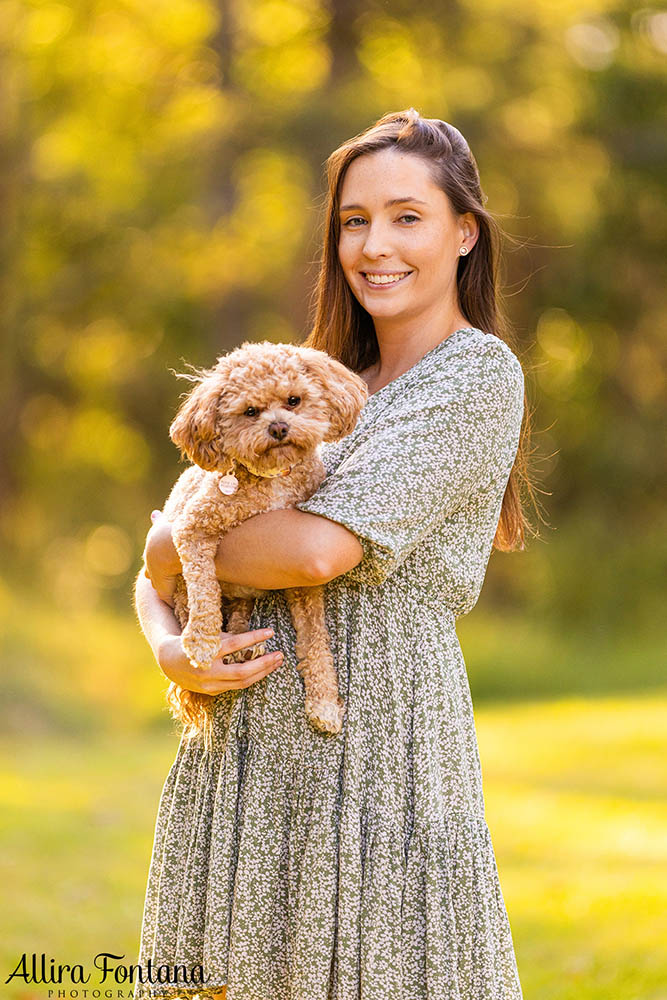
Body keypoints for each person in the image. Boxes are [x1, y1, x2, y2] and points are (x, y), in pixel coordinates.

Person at [133, 107, 534, 1000]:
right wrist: (171, 647)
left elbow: (316, 553)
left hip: (379, 747)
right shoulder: (309, 383)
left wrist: (171, 538)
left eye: (406, 216)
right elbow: (161, 571)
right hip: (241, 747)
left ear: (463, 234)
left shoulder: (474, 375)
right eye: (353, 221)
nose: (373, 245)